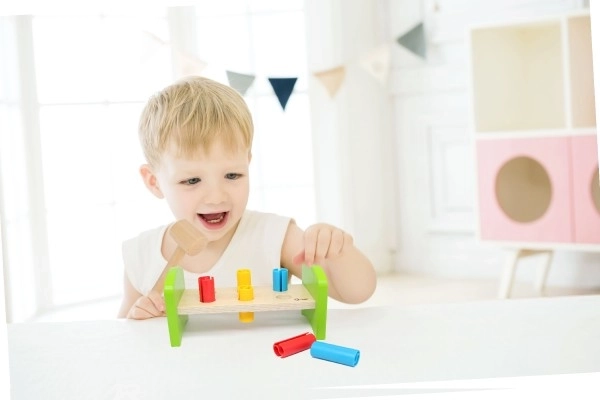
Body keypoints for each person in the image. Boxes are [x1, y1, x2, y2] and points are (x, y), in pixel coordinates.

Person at [117, 76, 377, 319]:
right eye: (192, 181)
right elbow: (121, 338)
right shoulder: (142, 255)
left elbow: (357, 292)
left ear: (247, 164)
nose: (216, 196)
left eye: (232, 175)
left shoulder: (274, 236)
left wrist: (336, 247)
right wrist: (139, 319)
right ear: (154, 181)